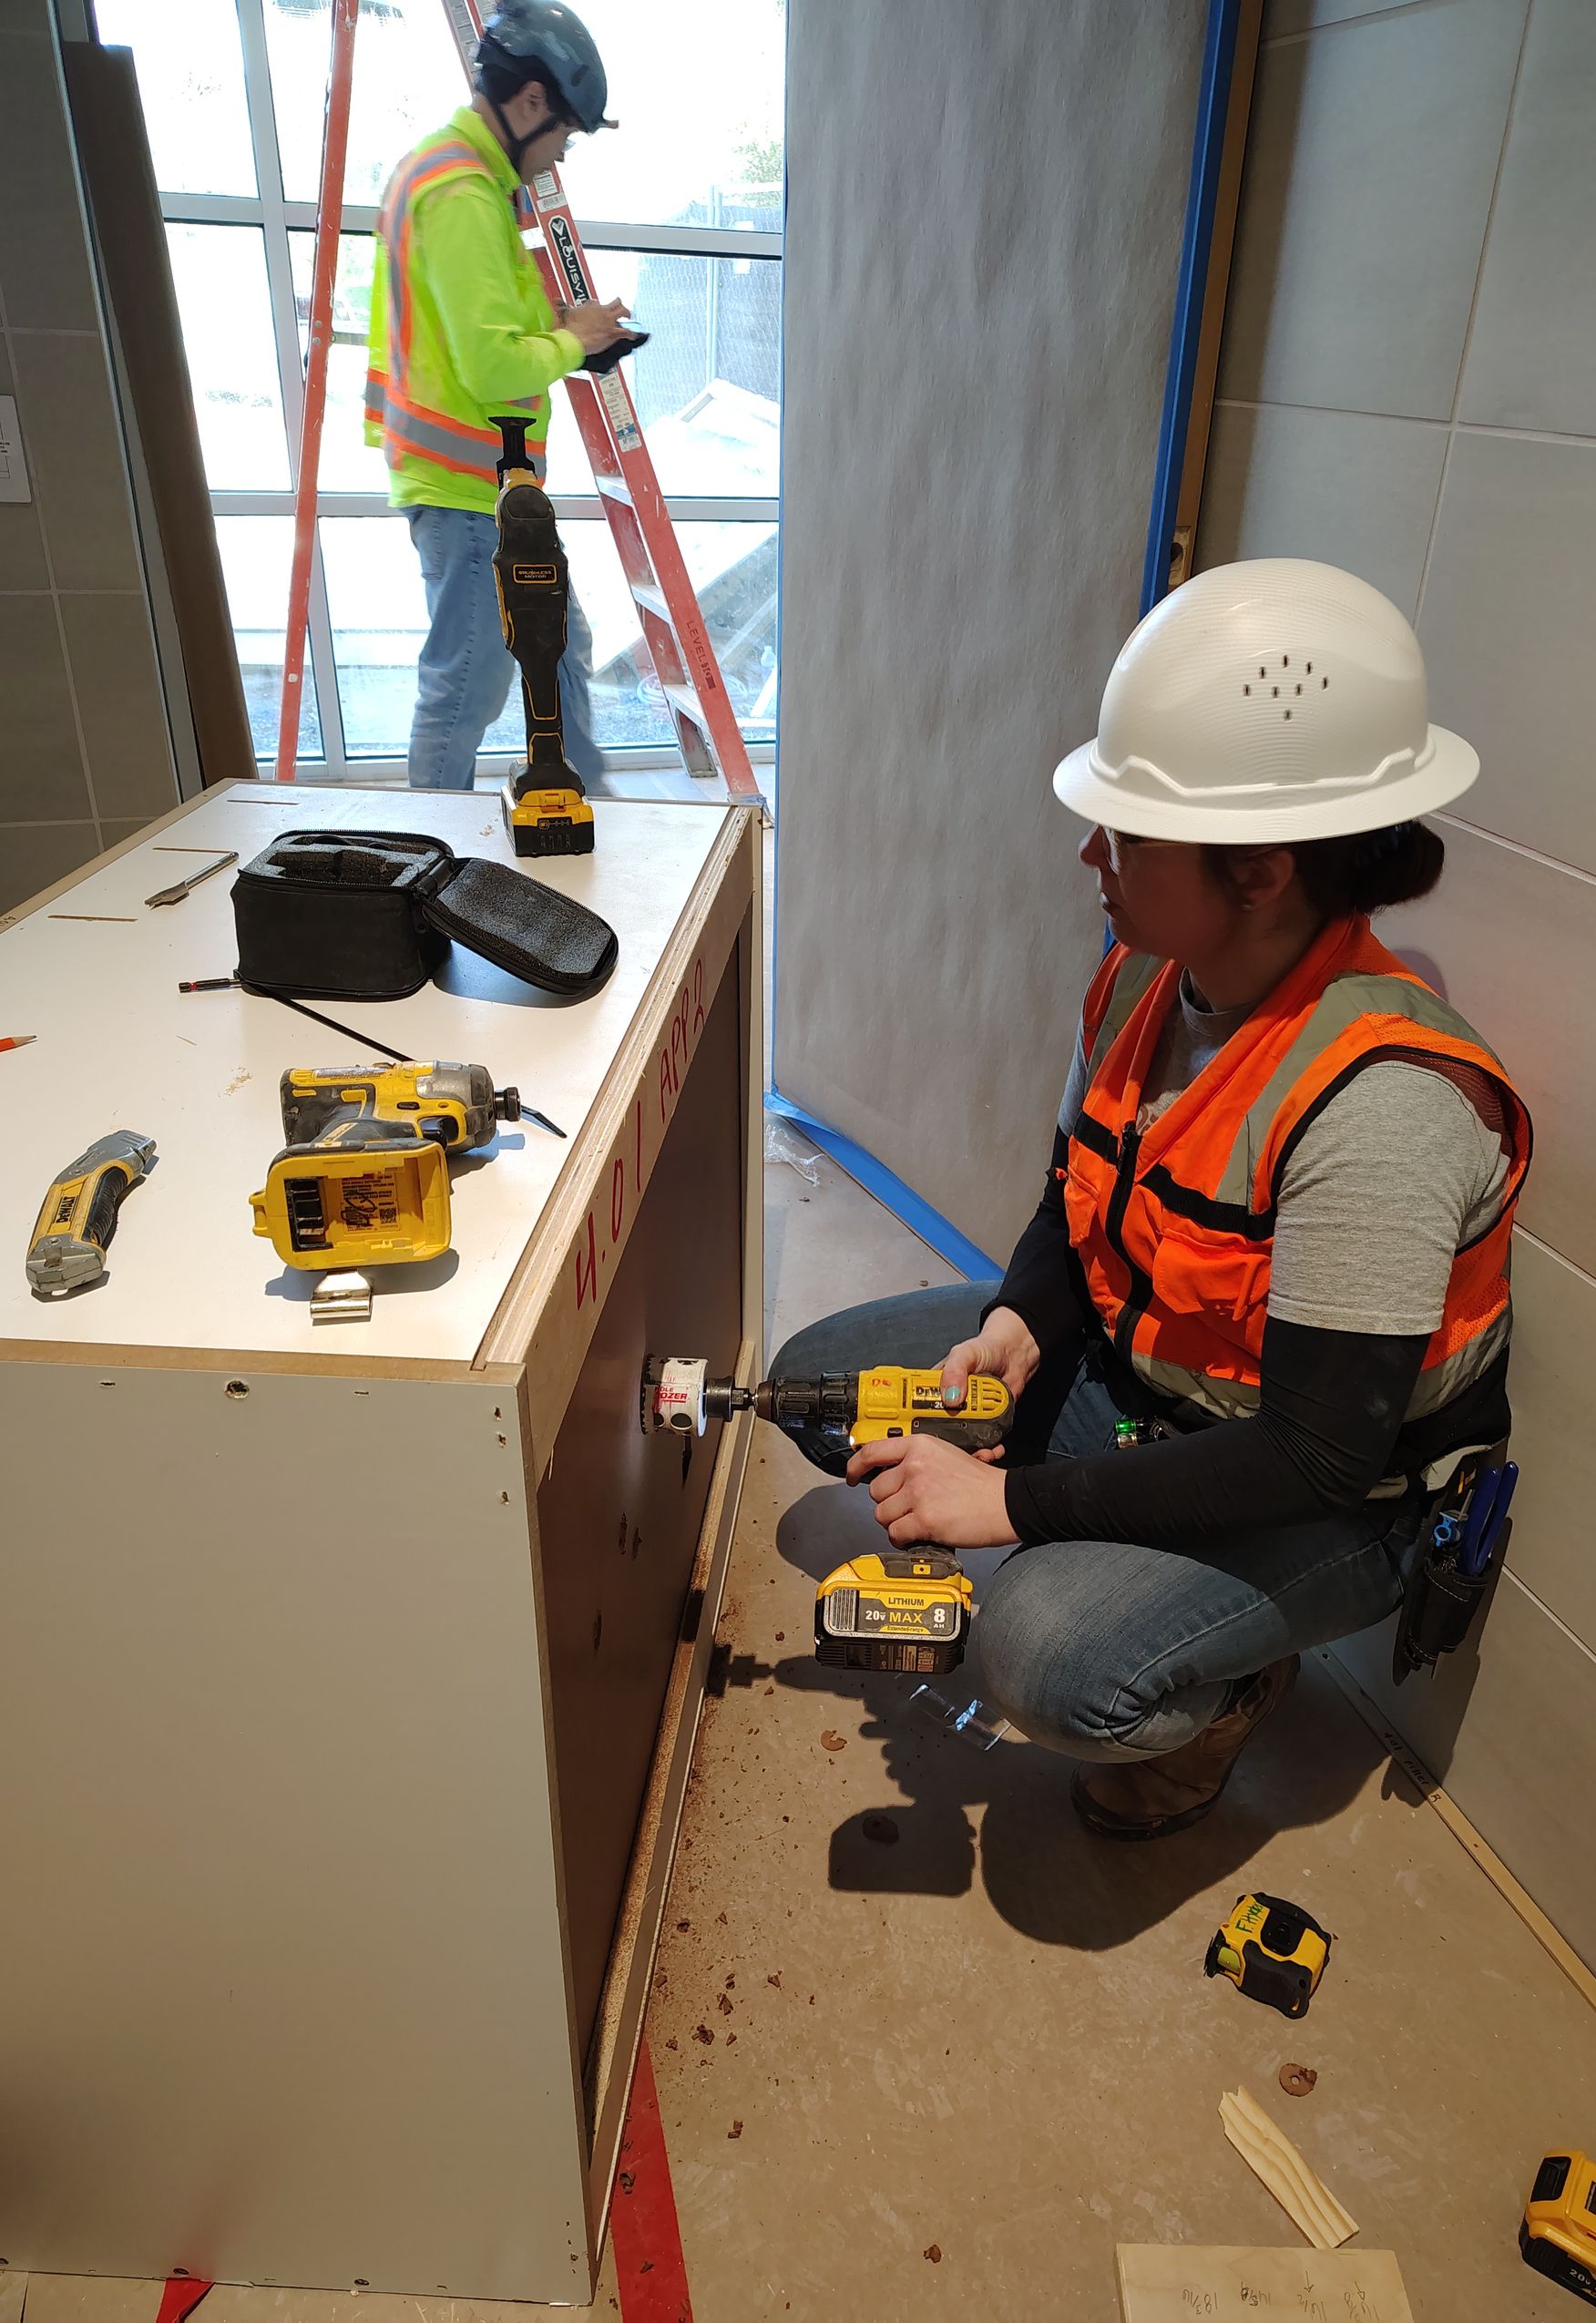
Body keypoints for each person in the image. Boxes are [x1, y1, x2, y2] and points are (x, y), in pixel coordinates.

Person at [771, 559, 1531, 1840]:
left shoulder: (1380, 1106)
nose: (1089, 853)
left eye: (1125, 832)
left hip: (1330, 1493)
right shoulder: (1144, 971)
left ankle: (1223, 1690)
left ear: (1263, 869)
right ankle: (1110, 1535)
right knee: (825, 1381)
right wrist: (1020, 1323)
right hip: (1148, 1387)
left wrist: (1011, 1506)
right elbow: (1082, 1196)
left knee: (1049, 1656)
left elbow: (1315, 1450)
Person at [366, 0, 630, 791]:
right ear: (531, 104)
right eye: (565, 137)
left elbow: (479, 325)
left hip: (490, 487)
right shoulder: (462, 193)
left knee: (564, 648)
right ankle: (426, 882)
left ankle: (591, 808)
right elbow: (489, 364)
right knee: (467, 688)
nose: (559, 159)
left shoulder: (463, 178)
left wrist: (562, 323)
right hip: (464, 490)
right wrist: (575, 342)